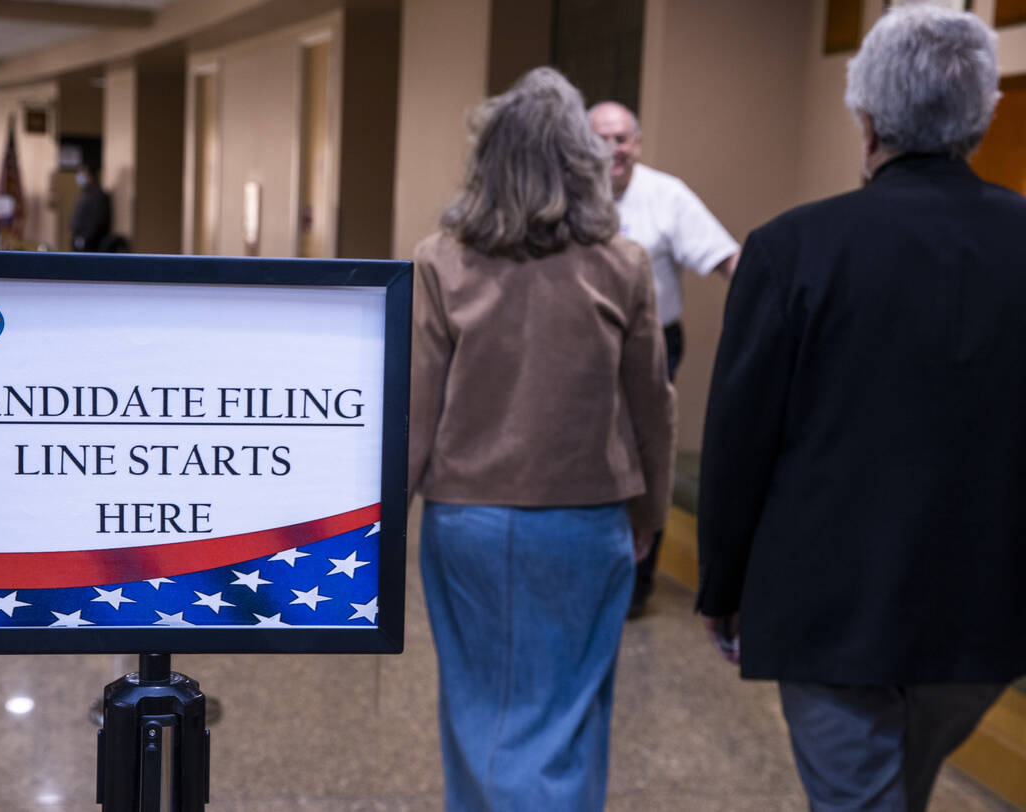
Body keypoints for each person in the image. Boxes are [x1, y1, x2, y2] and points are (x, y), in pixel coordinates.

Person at [696, 6, 1025, 811]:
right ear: (982, 116)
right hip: (991, 604)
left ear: (867, 119)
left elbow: (740, 439)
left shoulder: (790, 248)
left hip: (829, 607)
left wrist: (723, 585)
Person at [410, 66, 675, 811]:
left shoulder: (441, 260)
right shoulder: (621, 264)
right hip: (585, 521)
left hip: (467, 521)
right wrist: (651, 513)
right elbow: (651, 404)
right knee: (573, 712)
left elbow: (416, 412)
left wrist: (372, 533)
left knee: (476, 708)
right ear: (583, 160)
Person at [587, 99, 739, 619]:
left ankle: (635, 581)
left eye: (623, 138)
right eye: (602, 138)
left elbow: (726, 258)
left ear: (638, 143)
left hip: (652, 342)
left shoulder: (666, 195)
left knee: (646, 445)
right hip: (580, 345)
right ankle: (589, 565)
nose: (614, 150)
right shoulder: (566, 192)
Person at [70, 164, 111, 251]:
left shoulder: (98, 196)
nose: (79, 177)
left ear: (91, 176)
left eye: (83, 174)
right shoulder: (85, 194)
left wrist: (85, 238)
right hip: (79, 240)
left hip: (91, 244)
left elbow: (98, 221)